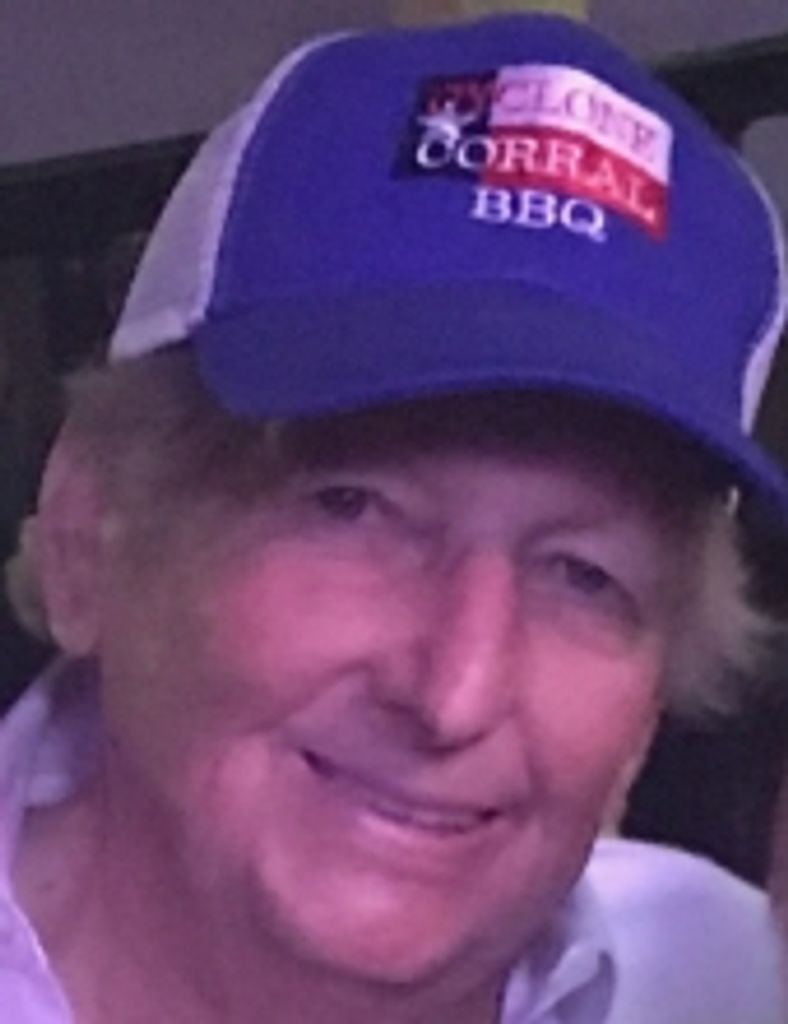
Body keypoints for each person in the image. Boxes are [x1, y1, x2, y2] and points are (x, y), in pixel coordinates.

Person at [2, 13, 786, 1024]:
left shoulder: (727, 979)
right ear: (88, 534)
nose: (454, 693)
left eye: (583, 574)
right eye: (353, 507)